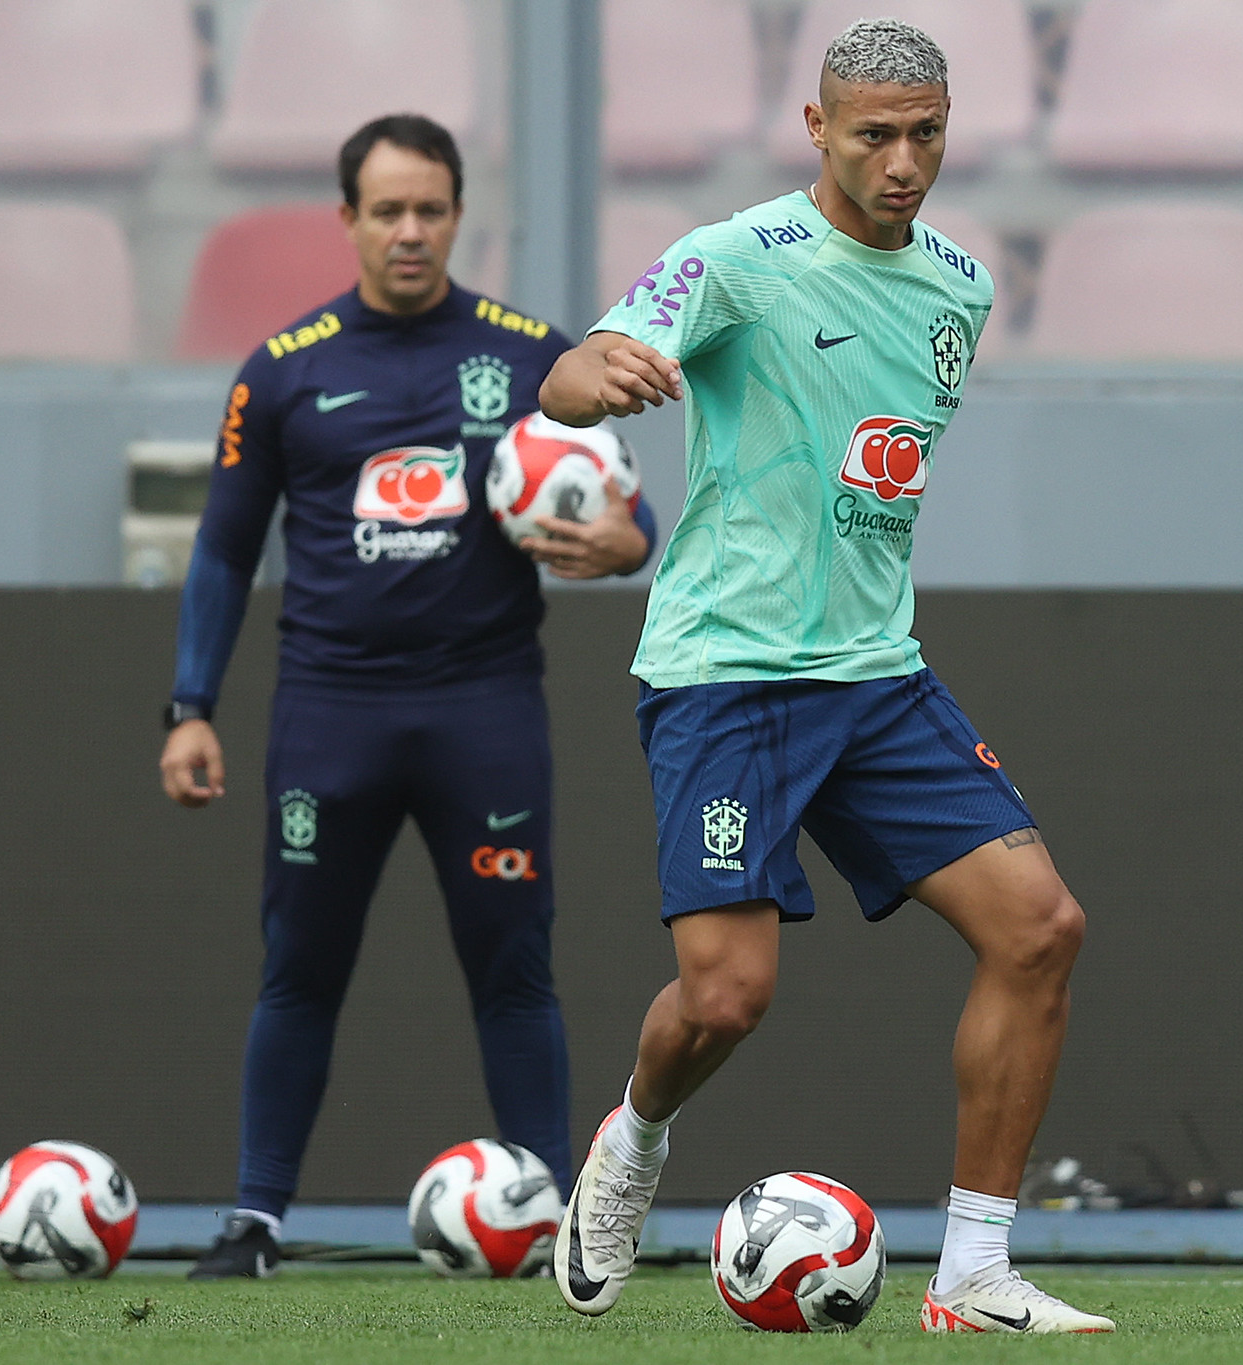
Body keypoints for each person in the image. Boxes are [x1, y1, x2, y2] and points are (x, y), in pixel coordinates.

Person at [537, 20, 1113, 1335]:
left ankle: (972, 1273)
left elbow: (881, 465)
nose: (904, 161)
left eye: (927, 133)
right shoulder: (736, 259)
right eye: (874, 135)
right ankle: (632, 1139)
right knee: (728, 997)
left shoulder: (960, 286)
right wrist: (588, 378)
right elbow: (576, 370)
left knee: (1043, 929)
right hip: (728, 675)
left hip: (875, 674)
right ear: (816, 127)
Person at [160, 113, 658, 1280]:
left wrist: (627, 545)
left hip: (482, 710)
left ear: (456, 213)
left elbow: (626, 507)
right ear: (347, 220)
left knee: (512, 964)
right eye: (386, 210)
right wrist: (189, 703)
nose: (409, 231)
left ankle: (560, 1220)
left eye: (429, 208)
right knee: (300, 967)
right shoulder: (283, 371)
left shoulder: (530, 353)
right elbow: (224, 551)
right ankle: (257, 1218)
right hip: (330, 715)